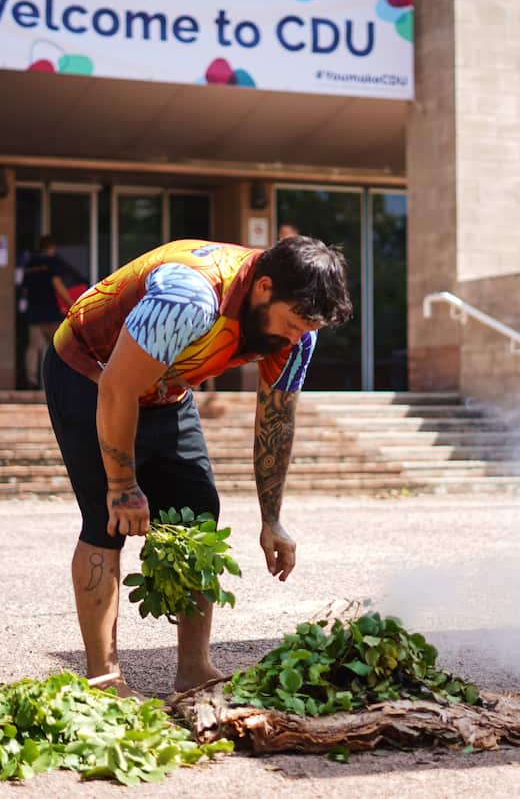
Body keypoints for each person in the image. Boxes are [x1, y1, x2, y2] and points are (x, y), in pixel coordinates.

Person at [42, 236, 353, 698]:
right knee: (106, 519)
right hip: (92, 374)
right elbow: (117, 389)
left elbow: (276, 419)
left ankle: (193, 669)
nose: (295, 337)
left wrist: (272, 519)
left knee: (198, 513)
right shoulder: (189, 298)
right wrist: (123, 485)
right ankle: (104, 679)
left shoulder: (298, 334)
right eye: (291, 324)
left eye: (304, 329)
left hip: (166, 386)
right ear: (264, 287)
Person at [20, 236, 76, 389]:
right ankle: (54, 381)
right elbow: (57, 285)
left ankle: (31, 379)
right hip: (51, 312)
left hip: (34, 312)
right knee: (58, 347)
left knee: (34, 347)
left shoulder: (30, 264)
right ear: (52, 248)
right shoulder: (53, 262)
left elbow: (24, 290)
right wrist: (72, 304)